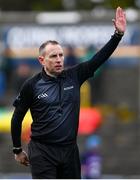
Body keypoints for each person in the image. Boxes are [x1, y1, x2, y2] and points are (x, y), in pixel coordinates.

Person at [11, 7, 126, 179]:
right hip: (42, 151)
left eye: (60, 55)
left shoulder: (74, 76)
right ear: (42, 60)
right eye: (53, 56)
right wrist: (17, 150)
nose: (59, 60)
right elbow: (17, 117)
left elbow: (99, 58)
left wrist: (117, 35)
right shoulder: (32, 85)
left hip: (69, 150)